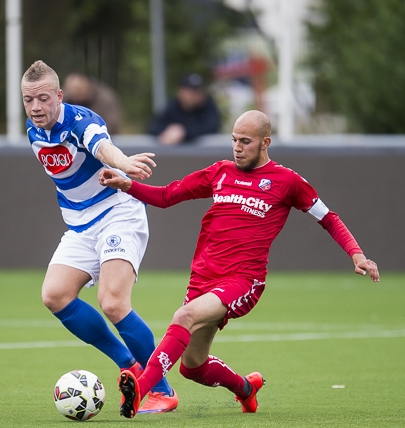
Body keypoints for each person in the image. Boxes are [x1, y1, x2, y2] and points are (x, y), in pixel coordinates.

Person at [100, 110, 380, 418]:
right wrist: (125, 184)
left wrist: (356, 253)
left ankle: (141, 388)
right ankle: (246, 389)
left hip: (243, 280)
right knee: (192, 367)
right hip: (203, 279)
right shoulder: (220, 172)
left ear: (265, 142)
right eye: (234, 140)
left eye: (245, 141)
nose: (237, 147)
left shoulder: (287, 182)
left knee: (184, 315)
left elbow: (328, 218)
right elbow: (167, 196)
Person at [20, 60, 178, 417]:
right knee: (55, 295)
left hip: (117, 214)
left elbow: (102, 145)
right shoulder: (33, 132)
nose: (36, 108)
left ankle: (162, 390)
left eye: (44, 98)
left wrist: (123, 163)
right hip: (80, 226)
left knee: (112, 302)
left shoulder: (80, 121)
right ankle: (131, 365)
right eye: (28, 100)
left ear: (59, 96)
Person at [148, 73, 221, 146]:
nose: (196, 95)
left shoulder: (208, 106)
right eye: (191, 92)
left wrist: (183, 133)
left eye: (198, 91)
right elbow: (153, 127)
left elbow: (212, 128)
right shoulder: (172, 106)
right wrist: (168, 132)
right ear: (181, 92)